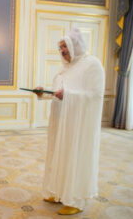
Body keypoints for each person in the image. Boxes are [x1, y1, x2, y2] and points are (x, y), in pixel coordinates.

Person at [36, 28, 105, 215]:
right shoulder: (64, 68)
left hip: (78, 125)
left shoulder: (92, 64)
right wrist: (43, 94)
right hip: (60, 122)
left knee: (74, 156)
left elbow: (96, 95)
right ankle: (57, 190)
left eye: (65, 46)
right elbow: (58, 94)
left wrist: (70, 95)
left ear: (76, 45)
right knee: (58, 154)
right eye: (60, 47)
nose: (62, 51)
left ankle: (75, 199)